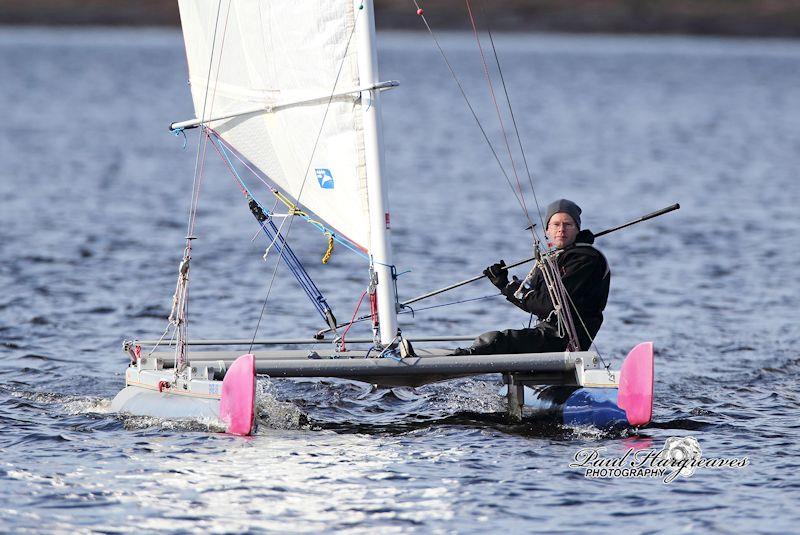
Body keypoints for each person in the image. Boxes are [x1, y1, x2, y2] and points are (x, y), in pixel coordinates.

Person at [452, 199, 610, 355]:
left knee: (497, 341)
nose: (561, 229)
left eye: (568, 224)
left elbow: (548, 304)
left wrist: (512, 289)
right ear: (547, 230)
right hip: (547, 334)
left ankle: (460, 359)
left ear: (577, 229)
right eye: (556, 224)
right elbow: (536, 302)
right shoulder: (556, 258)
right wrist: (504, 284)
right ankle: (464, 356)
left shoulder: (586, 259)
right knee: (494, 340)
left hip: (565, 341)